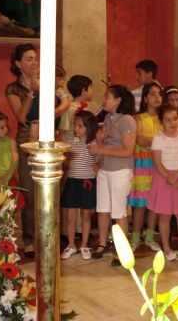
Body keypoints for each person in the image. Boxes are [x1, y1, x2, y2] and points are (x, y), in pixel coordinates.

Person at [88, 85, 136, 265]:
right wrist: (98, 158)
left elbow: (128, 150)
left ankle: (122, 249)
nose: (104, 100)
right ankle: (102, 243)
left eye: (107, 97)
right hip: (106, 168)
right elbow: (106, 143)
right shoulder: (108, 117)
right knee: (103, 208)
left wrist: (101, 148)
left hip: (120, 169)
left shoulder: (128, 120)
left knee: (119, 211)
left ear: (118, 100)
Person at [148, 104, 178, 262]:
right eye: (168, 120)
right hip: (163, 178)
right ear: (162, 122)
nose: (172, 123)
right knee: (165, 216)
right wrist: (169, 178)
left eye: (175, 119)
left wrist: (177, 177)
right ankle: (166, 247)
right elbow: (157, 162)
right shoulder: (158, 138)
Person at [6, 43, 39, 257]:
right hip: (26, 140)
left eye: (35, 58)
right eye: (29, 59)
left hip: (46, 137)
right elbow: (20, 117)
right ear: (18, 64)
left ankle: (47, 234)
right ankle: (29, 239)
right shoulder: (13, 89)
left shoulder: (46, 81)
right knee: (29, 191)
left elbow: (63, 102)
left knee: (48, 189)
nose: (34, 62)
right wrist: (33, 93)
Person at [127, 82, 163, 252]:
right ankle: (135, 238)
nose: (157, 97)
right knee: (140, 203)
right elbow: (140, 140)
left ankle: (149, 237)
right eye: (153, 94)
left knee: (155, 202)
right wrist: (162, 141)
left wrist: (158, 141)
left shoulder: (164, 118)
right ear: (146, 98)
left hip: (159, 165)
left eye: (159, 94)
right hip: (142, 165)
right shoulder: (138, 118)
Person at [60, 110, 99, 260]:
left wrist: (98, 164)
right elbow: (63, 149)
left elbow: (99, 160)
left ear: (89, 127)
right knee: (70, 217)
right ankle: (71, 245)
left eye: (80, 126)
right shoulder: (72, 141)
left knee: (86, 216)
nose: (76, 128)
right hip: (72, 181)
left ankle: (84, 244)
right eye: (75, 125)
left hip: (87, 182)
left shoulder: (94, 143)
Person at [58, 75, 94, 143]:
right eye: (91, 87)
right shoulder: (69, 108)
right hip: (71, 146)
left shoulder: (85, 108)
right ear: (84, 90)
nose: (92, 91)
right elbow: (62, 132)